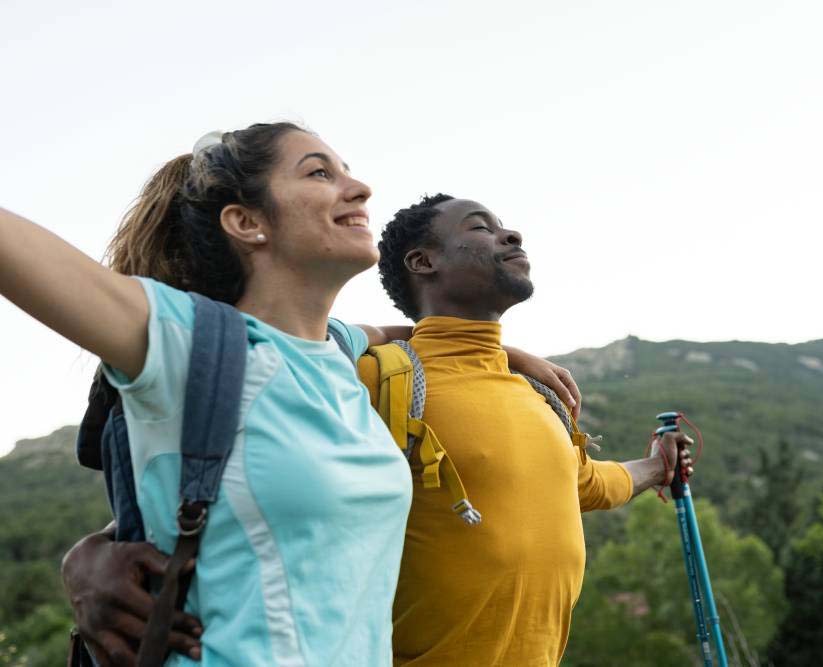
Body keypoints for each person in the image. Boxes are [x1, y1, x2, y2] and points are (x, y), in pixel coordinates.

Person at [59, 191, 690, 665]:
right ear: (423, 261)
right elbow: (245, 482)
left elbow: (583, 484)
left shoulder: (534, 393)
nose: (510, 232)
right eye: (480, 226)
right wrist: (95, 550)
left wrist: (657, 467)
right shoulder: (374, 377)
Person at [2, 122, 418, 667]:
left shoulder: (336, 349)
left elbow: (396, 333)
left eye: (346, 171)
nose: (360, 188)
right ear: (247, 222)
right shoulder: (186, 341)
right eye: (319, 173)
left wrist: (508, 356)